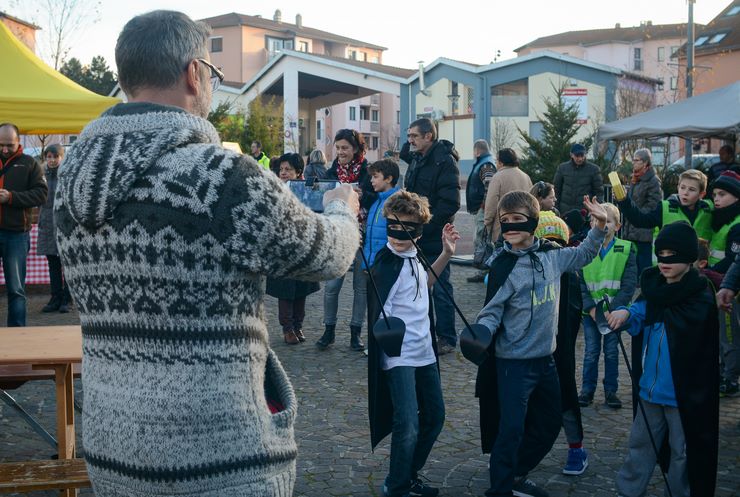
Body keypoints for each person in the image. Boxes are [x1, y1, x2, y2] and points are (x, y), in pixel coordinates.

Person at [53, 11, 360, 496]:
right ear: (194, 73)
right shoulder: (220, 177)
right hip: (220, 461)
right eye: (214, 76)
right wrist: (343, 208)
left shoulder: (70, 180)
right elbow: (325, 255)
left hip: (113, 452)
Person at [475, 191, 607, 497]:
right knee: (511, 429)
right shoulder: (503, 267)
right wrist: (480, 332)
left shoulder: (553, 257)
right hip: (513, 364)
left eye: (517, 220)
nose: (510, 227)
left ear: (534, 222)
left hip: (546, 361)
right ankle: (501, 488)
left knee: (549, 424)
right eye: (504, 222)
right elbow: (491, 312)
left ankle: (517, 473)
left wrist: (599, 227)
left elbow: (584, 254)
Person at [608, 222, 719, 497]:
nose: (665, 261)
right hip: (649, 389)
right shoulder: (654, 288)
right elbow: (639, 311)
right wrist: (624, 314)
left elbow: (698, 342)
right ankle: (629, 490)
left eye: (673, 253)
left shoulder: (700, 294)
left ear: (689, 256)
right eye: (661, 253)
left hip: (682, 396)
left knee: (682, 452)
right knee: (640, 445)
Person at [366, 189, 459, 497]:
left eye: (405, 228)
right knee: (407, 423)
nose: (397, 234)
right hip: (399, 356)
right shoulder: (385, 262)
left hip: (425, 352)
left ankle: (408, 475)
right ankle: (396, 488)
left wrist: (445, 253)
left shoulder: (416, 256)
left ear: (419, 231)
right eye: (392, 226)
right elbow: (377, 316)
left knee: (435, 416)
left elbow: (426, 285)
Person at [533, 215, 589, 476]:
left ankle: (576, 448)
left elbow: (571, 317)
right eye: (546, 241)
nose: (552, 247)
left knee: (566, 397)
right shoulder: (533, 268)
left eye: (557, 242)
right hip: (532, 349)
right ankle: (521, 449)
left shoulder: (569, 275)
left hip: (559, 350)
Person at [400, 117, 461, 355]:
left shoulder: (444, 162)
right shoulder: (418, 157)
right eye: (408, 136)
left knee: (441, 288)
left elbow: (450, 203)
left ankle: (446, 337)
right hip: (416, 235)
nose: (410, 141)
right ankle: (423, 332)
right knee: (418, 286)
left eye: (414, 136)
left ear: (429, 136)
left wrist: (427, 227)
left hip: (435, 236)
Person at [317, 128, 376, 352]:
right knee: (332, 286)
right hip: (338, 235)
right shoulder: (330, 172)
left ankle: (355, 332)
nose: (341, 152)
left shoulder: (368, 171)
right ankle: (329, 329)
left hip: (363, 235)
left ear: (356, 149)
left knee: (360, 287)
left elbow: (376, 196)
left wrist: (362, 195)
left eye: (345, 148)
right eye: (338, 148)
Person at [578, 202, 637, 410]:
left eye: (606, 221)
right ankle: (587, 390)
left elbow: (629, 284)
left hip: (614, 313)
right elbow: (581, 284)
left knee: (612, 352)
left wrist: (614, 310)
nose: (601, 224)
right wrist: (592, 309)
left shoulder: (627, 249)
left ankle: (611, 390)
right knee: (591, 351)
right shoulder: (585, 250)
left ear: (617, 225)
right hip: (591, 313)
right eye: (595, 220)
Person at [266, 153, 321, 345]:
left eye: (288, 169)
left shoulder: (307, 190)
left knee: (301, 289)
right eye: (281, 169)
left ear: (298, 172)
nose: (283, 172)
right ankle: (287, 328)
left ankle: (298, 325)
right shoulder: (274, 189)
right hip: (282, 248)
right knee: (286, 290)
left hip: (302, 246)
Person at [0, 122, 48, 327]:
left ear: (19, 142)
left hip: (16, 235)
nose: (4, 149)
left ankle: (17, 337)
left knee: (16, 289)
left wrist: (11, 197)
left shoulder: (30, 163)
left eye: (9, 145)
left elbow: (41, 194)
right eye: (0, 144)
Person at [707, 171, 740, 396]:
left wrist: (708, 272)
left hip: (731, 290)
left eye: (722, 194)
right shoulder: (717, 218)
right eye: (714, 194)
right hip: (717, 284)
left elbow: (733, 259)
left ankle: (730, 378)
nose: (716, 199)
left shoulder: (737, 224)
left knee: (729, 336)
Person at [36, 144, 72, 313]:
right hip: (47, 225)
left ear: (62, 157)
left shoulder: (67, 176)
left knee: (68, 263)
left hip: (64, 225)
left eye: (55, 156)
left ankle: (67, 298)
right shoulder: (40, 176)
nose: (51, 160)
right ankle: (55, 297)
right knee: (53, 264)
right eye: (49, 156)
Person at [620, 148, 663, 276]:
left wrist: (635, 213)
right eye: (633, 159)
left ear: (645, 163)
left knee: (644, 268)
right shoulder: (636, 178)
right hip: (631, 228)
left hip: (643, 232)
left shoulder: (653, 181)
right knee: (632, 266)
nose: (633, 162)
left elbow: (653, 206)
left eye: (636, 160)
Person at [483, 148, 533, 245]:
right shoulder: (525, 176)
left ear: (501, 162)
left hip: (503, 229)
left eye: (496, 161)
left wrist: (487, 225)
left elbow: (491, 204)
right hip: (524, 227)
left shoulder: (498, 177)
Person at [466, 139, 496, 283]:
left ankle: (485, 271)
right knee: (482, 238)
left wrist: (483, 206)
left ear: (477, 151)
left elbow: (489, 187)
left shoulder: (485, 164)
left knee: (482, 239)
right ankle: (484, 270)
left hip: (483, 208)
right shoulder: (486, 163)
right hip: (482, 207)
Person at [362, 159, 400, 270]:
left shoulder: (396, 203)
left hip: (386, 266)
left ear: (388, 179)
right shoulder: (376, 202)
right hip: (372, 265)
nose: (371, 181)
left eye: (375, 176)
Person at [553, 143, 603, 215]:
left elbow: (599, 193)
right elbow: (556, 190)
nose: (580, 159)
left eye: (582, 155)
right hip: (565, 211)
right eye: (577, 156)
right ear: (571, 155)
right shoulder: (562, 168)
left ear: (585, 155)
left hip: (585, 212)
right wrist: (556, 209)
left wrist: (596, 211)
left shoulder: (594, 170)